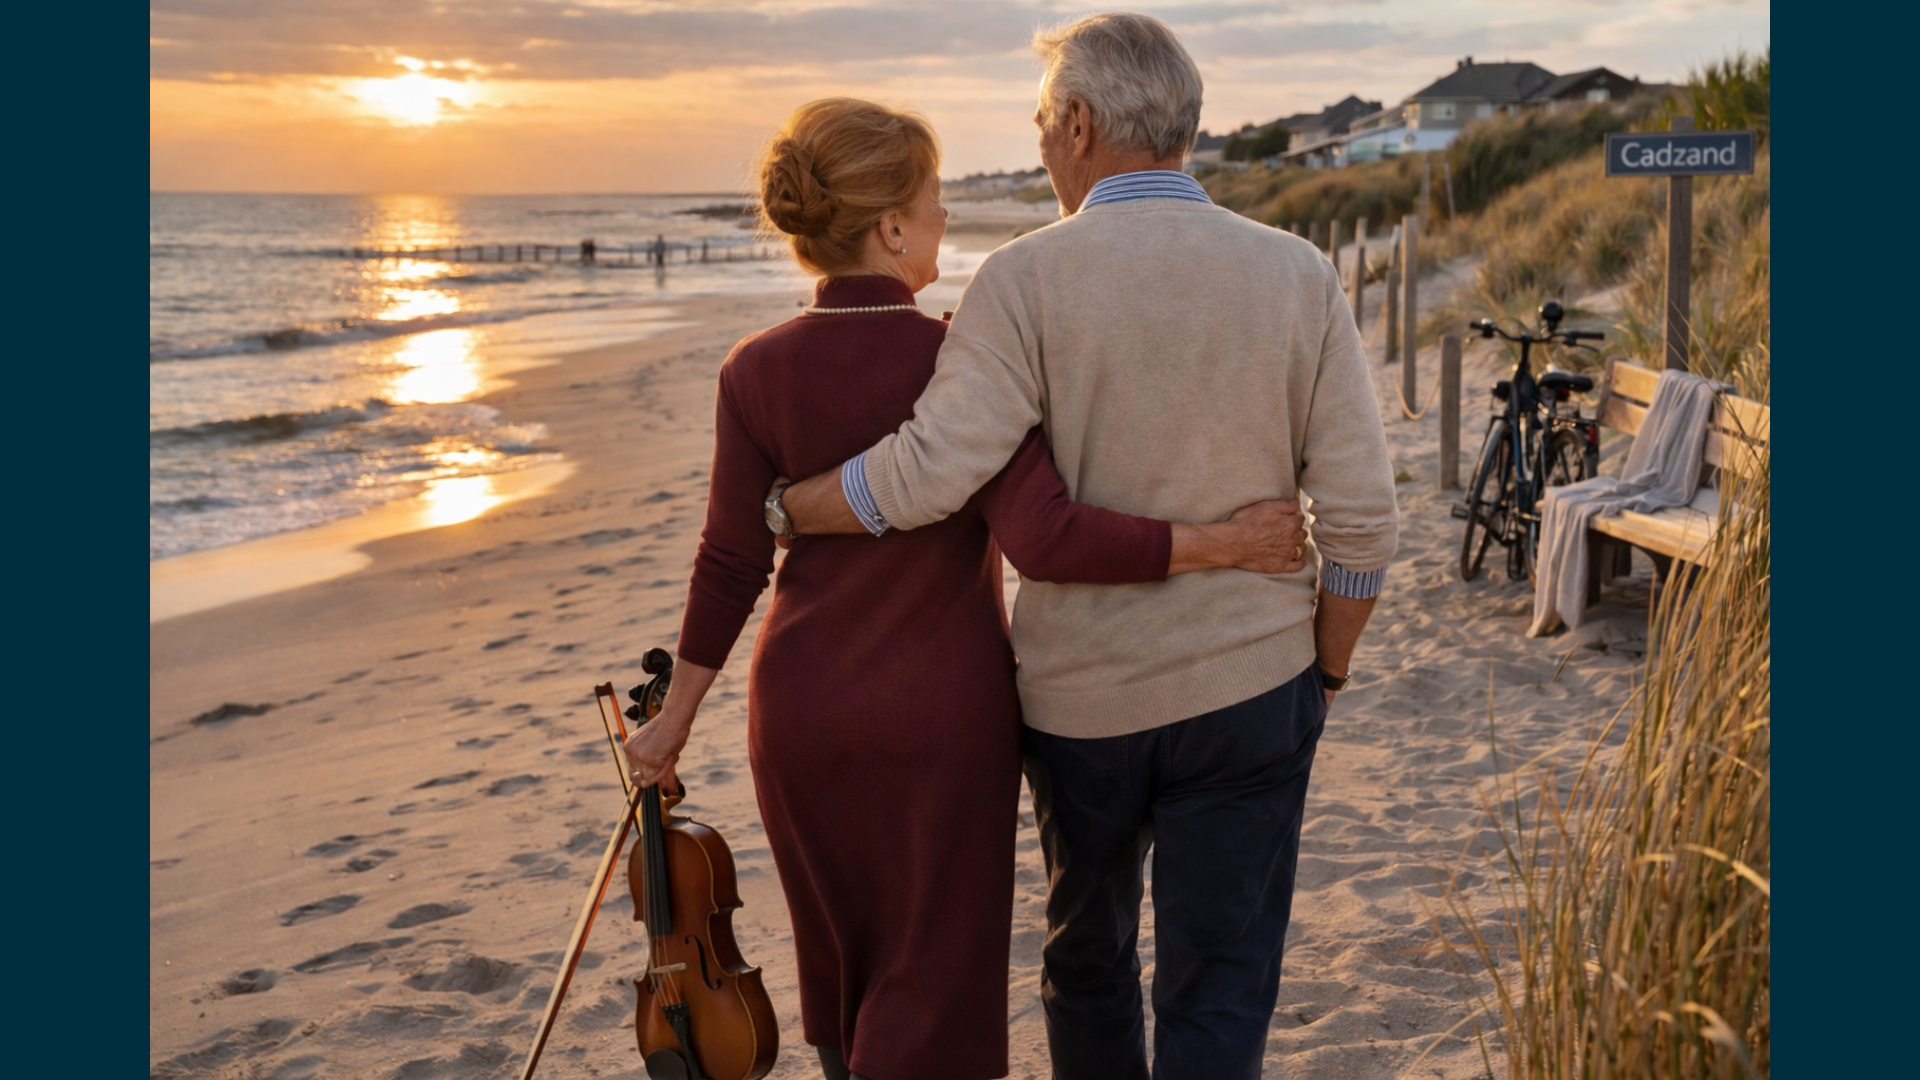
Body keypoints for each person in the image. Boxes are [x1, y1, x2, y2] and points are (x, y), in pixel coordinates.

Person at [621, 97, 1308, 1080]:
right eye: (936, 201)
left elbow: (730, 560)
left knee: (840, 957)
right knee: (932, 974)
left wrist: (673, 721)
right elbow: (1049, 536)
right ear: (891, 226)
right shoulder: (960, 355)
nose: (946, 220)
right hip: (941, 716)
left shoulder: (753, 370)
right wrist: (1220, 542)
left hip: (800, 711)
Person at [773, 14, 1399, 1080]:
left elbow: (931, 470)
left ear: (1078, 124)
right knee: (1221, 983)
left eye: (1040, 124)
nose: (1038, 144)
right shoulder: (1295, 274)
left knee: (1090, 962)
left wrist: (788, 509)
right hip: (1253, 686)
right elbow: (1363, 524)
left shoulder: (1020, 281)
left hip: (1082, 711)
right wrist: (1326, 667)